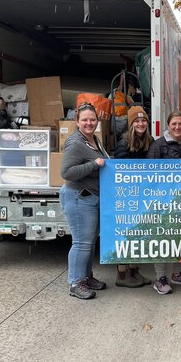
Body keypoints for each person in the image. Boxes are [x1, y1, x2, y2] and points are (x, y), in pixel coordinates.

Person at [60, 103, 109, 300]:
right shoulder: (75, 143)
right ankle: (75, 282)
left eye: (92, 119)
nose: (89, 123)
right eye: (85, 120)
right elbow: (67, 172)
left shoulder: (94, 139)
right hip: (79, 197)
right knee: (81, 242)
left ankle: (86, 277)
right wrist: (92, 165)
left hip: (92, 197)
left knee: (89, 242)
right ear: (77, 121)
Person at [147, 110, 181, 294]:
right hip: (163, 199)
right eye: (174, 124)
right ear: (168, 125)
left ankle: (178, 273)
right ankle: (160, 277)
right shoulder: (158, 145)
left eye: (180, 124)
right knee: (161, 236)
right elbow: (149, 172)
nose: (177, 127)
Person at [111, 106, 154, 288]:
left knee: (138, 234)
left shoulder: (150, 142)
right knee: (126, 234)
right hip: (128, 197)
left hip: (143, 196)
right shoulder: (123, 144)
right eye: (136, 121)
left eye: (143, 120)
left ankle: (135, 272)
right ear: (131, 124)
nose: (141, 123)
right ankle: (122, 275)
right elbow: (121, 173)